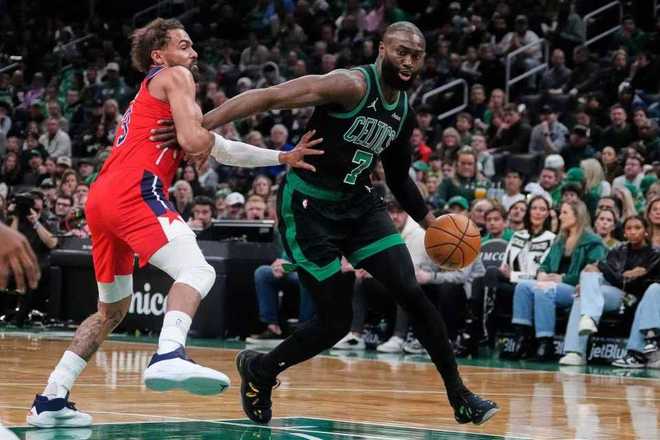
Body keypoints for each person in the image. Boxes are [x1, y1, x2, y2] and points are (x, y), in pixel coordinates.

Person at [27, 18, 321, 429]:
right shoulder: (176, 76)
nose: (193, 53)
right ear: (159, 56)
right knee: (198, 270)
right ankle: (168, 352)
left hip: (102, 197)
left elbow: (215, 147)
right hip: (135, 191)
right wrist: (195, 137)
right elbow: (199, 143)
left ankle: (50, 398)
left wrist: (280, 157)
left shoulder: (153, 95)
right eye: (184, 45)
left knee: (110, 312)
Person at [201, 21, 499, 425]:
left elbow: (398, 178)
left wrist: (431, 222)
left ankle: (460, 397)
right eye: (401, 52)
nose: (408, 61)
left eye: (416, 55)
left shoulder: (403, 111)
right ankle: (261, 370)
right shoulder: (350, 85)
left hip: (360, 205)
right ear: (382, 49)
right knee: (336, 322)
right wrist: (202, 126)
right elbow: (271, 96)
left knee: (412, 292)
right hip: (308, 208)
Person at [510, 200, 606, 360]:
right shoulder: (560, 239)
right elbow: (546, 263)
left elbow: (593, 272)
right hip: (553, 284)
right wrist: (542, 272)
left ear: (577, 216)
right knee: (523, 287)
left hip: (575, 289)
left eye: (565, 213)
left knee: (544, 289)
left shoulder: (593, 241)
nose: (560, 217)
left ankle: (545, 342)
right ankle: (523, 340)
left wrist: (563, 278)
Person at [560, 215, 659, 366]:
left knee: (588, 291)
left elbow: (639, 283)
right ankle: (575, 352)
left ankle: (588, 317)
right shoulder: (617, 251)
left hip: (633, 298)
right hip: (614, 292)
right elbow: (613, 276)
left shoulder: (655, 254)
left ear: (646, 231)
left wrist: (616, 274)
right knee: (587, 278)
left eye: (637, 228)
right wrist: (591, 276)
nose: (633, 231)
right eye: (629, 228)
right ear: (624, 232)